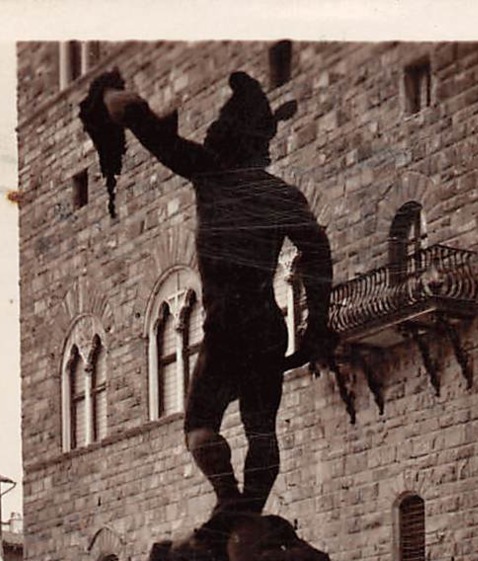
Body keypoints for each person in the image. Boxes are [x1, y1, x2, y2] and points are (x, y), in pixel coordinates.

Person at [94, 70, 337, 514]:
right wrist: (316, 327)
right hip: (267, 325)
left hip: (225, 325)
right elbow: (318, 256)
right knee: (262, 428)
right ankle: (250, 513)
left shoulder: (212, 174)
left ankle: (229, 502)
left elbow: (159, 142)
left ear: (225, 136)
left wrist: (127, 108)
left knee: (200, 424)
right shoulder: (281, 194)